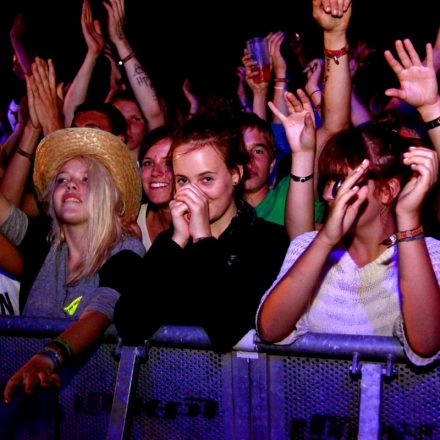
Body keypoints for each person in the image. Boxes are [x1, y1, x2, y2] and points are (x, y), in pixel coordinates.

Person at [257, 122, 440, 366]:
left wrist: (408, 217)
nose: (328, 195)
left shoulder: (427, 253)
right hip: (316, 401)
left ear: (388, 190)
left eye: (343, 181)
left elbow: (426, 344)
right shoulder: (308, 246)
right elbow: (270, 329)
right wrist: (326, 239)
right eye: (329, 182)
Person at [114, 115, 289, 352]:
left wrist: (203, 239)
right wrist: (176, 241)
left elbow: (225, 329)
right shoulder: (172, 243)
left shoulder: (268, 240)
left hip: (232, 386)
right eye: (183, 180)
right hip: (169, 385)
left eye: (206, 179)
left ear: (235, 174)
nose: (193, 193)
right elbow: (130, 324)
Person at [2, 127, 145, 402]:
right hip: (32, 406)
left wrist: (48, 357)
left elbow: (99, 313)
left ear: (110, 195)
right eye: (62, 180)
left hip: (92, 407)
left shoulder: (126, 251)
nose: (70, 185)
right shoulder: (43, 245)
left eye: (86, 179)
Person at [137, 126, 175, 250]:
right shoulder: (131, 220)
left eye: (168, 163)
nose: (156, 172)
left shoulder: (203, 226)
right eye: (148, 163)